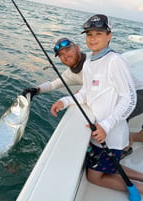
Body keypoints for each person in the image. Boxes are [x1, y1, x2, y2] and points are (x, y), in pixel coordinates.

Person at [50, 14, 143, 194]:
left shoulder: (115, 61)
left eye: (98, 34)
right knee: (112, 167)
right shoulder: (89, 63)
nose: (93, 39)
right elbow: (86, 92)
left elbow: (129, 98)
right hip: (99, 133)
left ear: (109, 36)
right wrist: (65, 101)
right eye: (89, 35)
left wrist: (107, 125)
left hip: (110, 135)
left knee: (94, 176)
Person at [22, 37, 143, 156]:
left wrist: (85, 90)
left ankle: (125, 148)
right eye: (61, 54)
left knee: (113, 124)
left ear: (77, 48)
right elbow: (54, 84)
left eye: (68, 50)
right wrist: (36, 90)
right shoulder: (70, 74)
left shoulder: (96, 58)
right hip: (115, 97)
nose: (65, 55)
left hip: (135, 94)